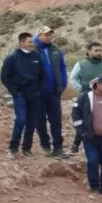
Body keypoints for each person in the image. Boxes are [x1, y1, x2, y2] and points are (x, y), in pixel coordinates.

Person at [0, 33, 46, 158]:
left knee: (31, 122)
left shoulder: (37, 57)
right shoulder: (12, 58)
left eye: (32, 42)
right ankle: (13, 148)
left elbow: (43, 75)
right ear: (21, 43)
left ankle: (27, 148)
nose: (32, 44)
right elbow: (4, 77)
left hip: (34, 94)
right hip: (20, 93)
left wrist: (39, 90)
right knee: (21, 120)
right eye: (30, 42)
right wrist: (14, 91)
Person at [68, 41, 102, 155]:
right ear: (89, 51)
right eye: (96, 50)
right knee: (85, 120)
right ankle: (75, 145)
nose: (98, 52)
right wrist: (81, 89)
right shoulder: (80, 64)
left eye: (100, 50)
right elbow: (73, 79)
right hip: (86, 97)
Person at [33, 26, 69, 159]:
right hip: (38, 93)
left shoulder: (55, 50)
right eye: (45, 35)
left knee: (56, 120)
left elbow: (62, 67)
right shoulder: (32, 49)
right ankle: (45, 145)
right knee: (39, 120)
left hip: (54, 92)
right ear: (38, 35)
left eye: (50, 35)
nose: (48, 37)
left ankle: (58, 148)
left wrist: (63, 84)